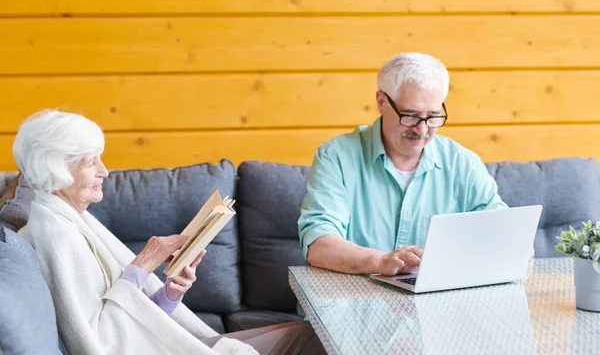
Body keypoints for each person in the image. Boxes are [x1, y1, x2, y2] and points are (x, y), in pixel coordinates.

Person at [15, 110, 325, 355]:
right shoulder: (53, 234)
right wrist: (142, 264)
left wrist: (168, 294)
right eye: (90, 163)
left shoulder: (70, 218)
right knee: (313, 338)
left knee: (309, 332)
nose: (104, 171)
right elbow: (101, 341)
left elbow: (127, 318)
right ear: (57, 168)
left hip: (153, 344)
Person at [297, 52, 530, 276]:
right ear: (381, 101)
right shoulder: (336, 157)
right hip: (349, 304)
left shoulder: (463, 163)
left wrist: (518, 247)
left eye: (433, 115)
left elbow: (502, 231)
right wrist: (380, 261)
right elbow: (319, 245)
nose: (422, 129)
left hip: (436, 307)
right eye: (410, 115)